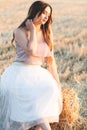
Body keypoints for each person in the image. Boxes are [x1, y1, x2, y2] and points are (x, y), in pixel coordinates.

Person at [0, 1, 62, 130]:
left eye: (48, 15)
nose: (46, 17)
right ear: (35, 11)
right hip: (20, 74)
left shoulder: (47, 34)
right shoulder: (19, 31)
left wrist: (57, 83)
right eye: (44, 12)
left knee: (42, 104)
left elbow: (51, 62)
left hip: (38, 74)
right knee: (36, 109)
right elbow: (31, 50)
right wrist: (33, 30)